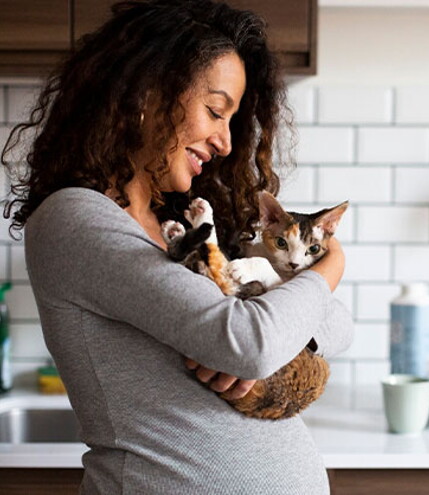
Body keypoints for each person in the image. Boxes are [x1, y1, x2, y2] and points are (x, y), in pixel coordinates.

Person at [1, 1, 353, 493]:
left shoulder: (182, 225)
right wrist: (331, 263)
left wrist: (290, 340)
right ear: (149, 92)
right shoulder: (75, 219)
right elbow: (249, 342)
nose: (226, 142)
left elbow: (338, 325)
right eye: (215, 111)